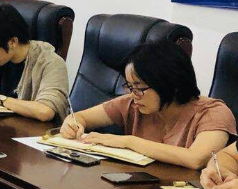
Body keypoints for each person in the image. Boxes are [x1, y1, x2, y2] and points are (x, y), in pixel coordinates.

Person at [60, 41, 234, 169]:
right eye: (130, 86)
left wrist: (129, 142)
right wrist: (72, 123)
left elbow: (196, 159)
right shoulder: (134, 103)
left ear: (171, 83)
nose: (133, 94)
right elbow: (80, 117)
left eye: (139, 87)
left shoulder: (212, 112)